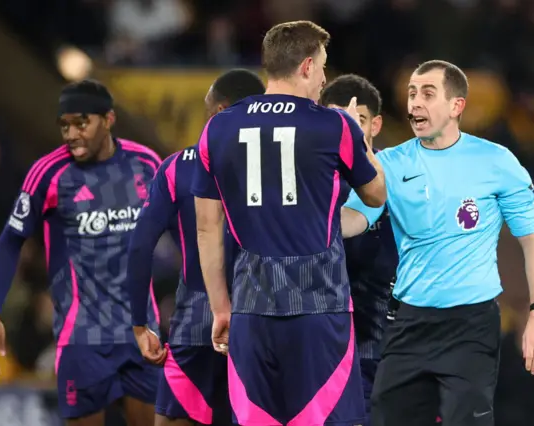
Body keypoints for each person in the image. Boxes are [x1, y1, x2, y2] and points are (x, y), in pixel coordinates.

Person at [191, 20, 387, 426]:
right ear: (307, 67)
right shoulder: (335, 126)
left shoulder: (218, 129)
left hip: (251, 307)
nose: (324, 79)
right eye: (324, 68)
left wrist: (220, 308)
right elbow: (376, 195)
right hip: (320, 309)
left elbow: (207, 228)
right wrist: (360, 139)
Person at [343, 60, 534, 426]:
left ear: (457, 106)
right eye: (411, 93)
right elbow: (351, 222)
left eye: (427, 93)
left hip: (470, 325)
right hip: (408, 322)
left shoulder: (496, 162)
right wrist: (301, 213)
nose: (414, 103)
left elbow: (533, 242)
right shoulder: (389, 163)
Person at [0, 80, 163, 426]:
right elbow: (10, 240)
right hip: (83, 340)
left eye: (82, 123)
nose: (71, 133)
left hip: (142, 333)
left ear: (108, 119)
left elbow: (180, 230)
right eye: (65, 125)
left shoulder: (146, 164)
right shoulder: (49, 174)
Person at [127, 69, 266, 426]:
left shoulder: (176, 169)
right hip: (264, 318)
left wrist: (140, 324)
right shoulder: (276, 169)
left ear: (219, 112)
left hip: (196, 321)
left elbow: (140, 245)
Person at [320, 74, 399, 424]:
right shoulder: (308, 179)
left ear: (376, 125)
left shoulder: (397, 175)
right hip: (324, 342)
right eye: (337, 120)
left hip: (383, 342)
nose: (348, 131)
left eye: (359, 122)